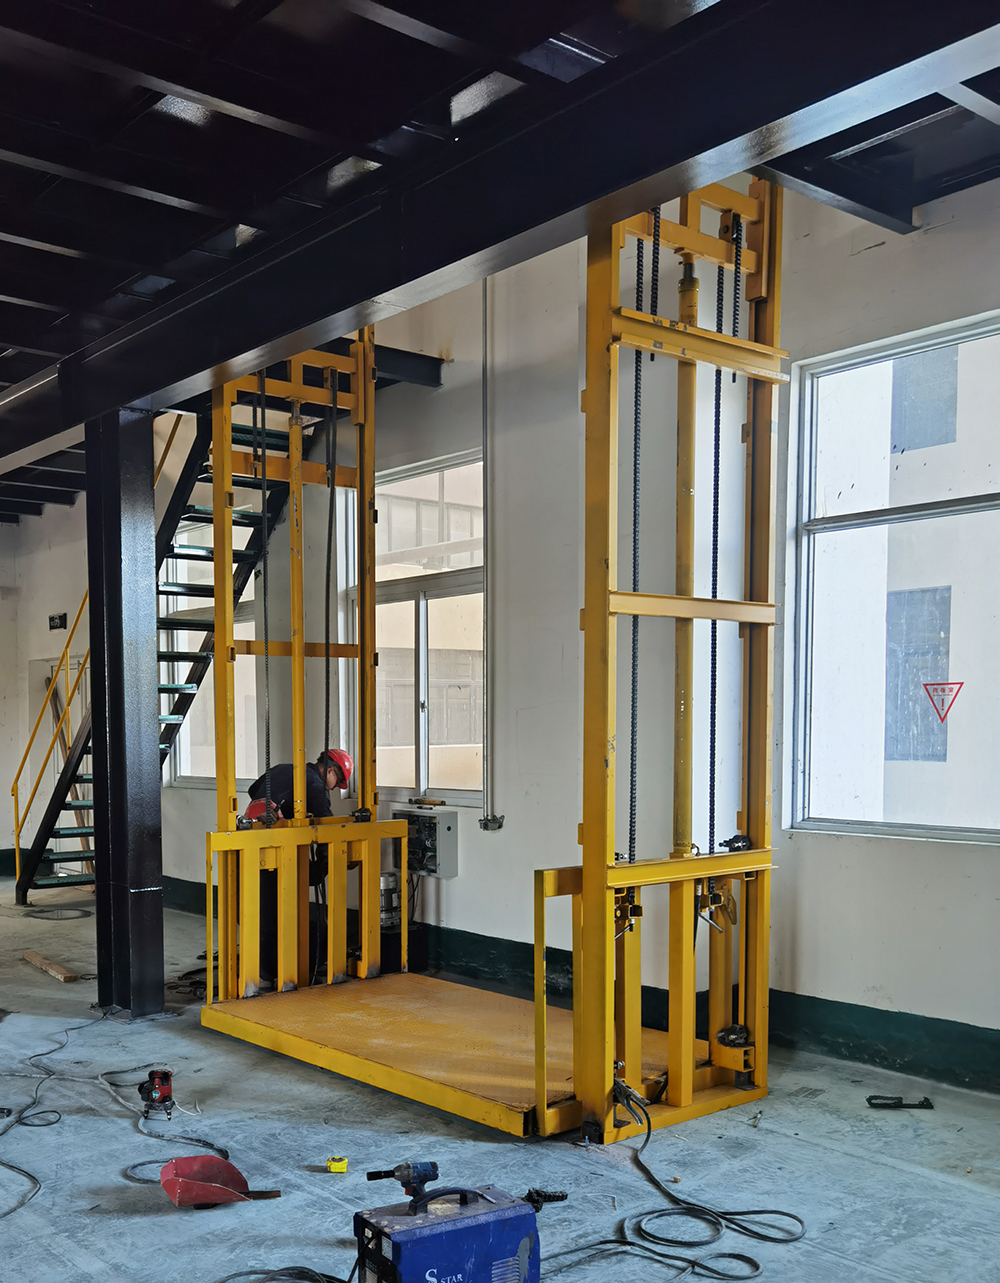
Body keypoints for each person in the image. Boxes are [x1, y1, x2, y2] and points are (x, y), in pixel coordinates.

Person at [246, 749, 354, 987]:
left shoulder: (282, 769)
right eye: (337, 782)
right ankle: (274, 974)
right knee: (277, 914)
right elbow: (327, 828)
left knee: (263, 909)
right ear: (331, 771)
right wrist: (327, 863)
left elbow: (253, 791)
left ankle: (265, 973)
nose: (334, 788)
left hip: (250, 848)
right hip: (276, 852)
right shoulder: (316, 786)